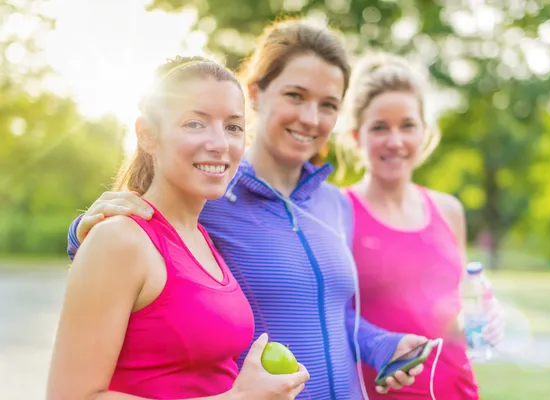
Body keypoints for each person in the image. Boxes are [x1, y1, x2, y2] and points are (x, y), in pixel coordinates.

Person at [64, 20, 427, 399]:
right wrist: (81, 231)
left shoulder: (335, 204)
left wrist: (380, 345)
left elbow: (327, 312)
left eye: (328, 105)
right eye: (295, 96)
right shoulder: (210, 189)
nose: (309, 117)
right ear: (255, 94)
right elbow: (138, 236)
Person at [47, 56, 309, 400]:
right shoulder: (119, 239)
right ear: (148, 136)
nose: (219, 143)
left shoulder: (201, 236)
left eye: (233, 126)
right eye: (195, 124)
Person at [342, 52, 505, 399]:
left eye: (407, 125)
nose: (395, 141)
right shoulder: (338, 210)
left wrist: (483, 320)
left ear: (424, 132)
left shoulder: (448, 210)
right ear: (357, 136)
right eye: (380, 127)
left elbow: (450, 311)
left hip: (457, 387)